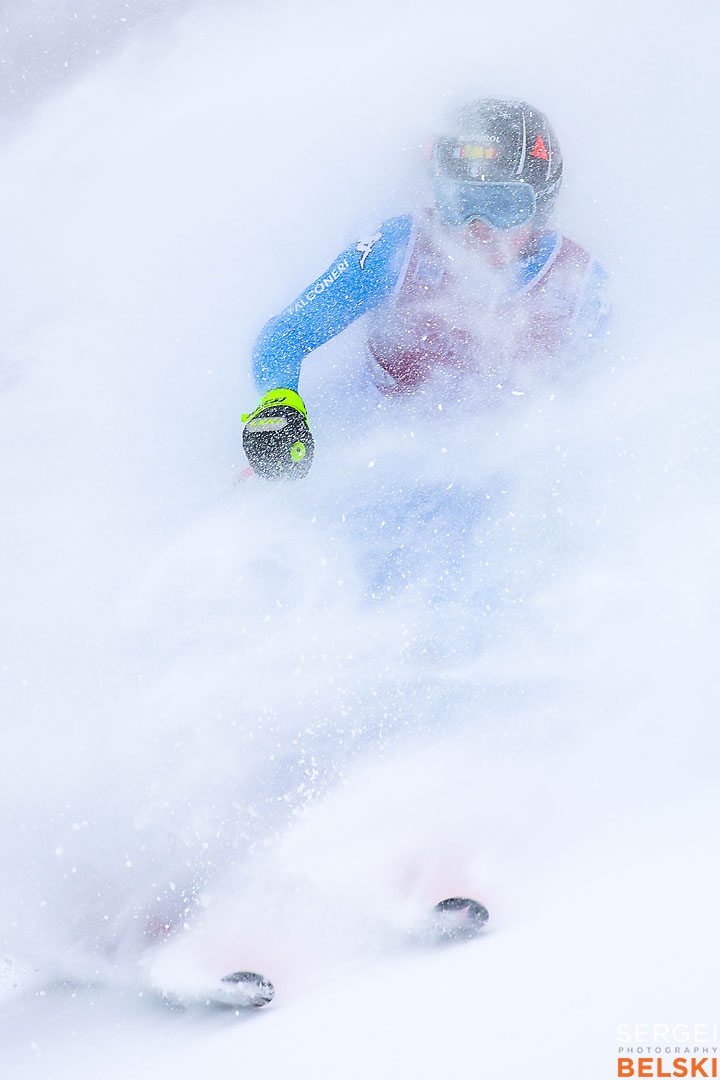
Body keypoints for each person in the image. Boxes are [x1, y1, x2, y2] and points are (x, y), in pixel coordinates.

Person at [242, 98, 609, 480]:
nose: (477, 225)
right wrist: (279, 405)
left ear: (542, 204)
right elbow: (288, 332)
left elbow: (605, 407)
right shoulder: (399, 247)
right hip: (366, 461)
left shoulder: (578, 287)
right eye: (460, 202)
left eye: (502, 205)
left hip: (502, 482)